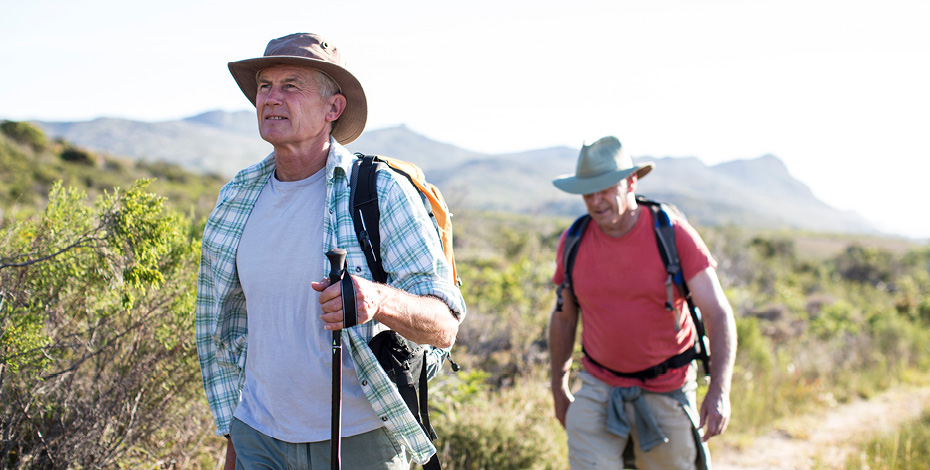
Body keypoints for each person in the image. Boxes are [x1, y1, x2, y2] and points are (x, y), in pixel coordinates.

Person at [196, 33, 465, 470]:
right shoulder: (236, 199)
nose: (271, 98)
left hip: (359, 440)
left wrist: (375, 300)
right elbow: (227, 330)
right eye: (265, 86)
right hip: (257, 439)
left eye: (290, 86)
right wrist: (236, 437)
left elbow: (444, 326)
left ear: (333, 109)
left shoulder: (381, 192)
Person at [548, 136, 737, 470]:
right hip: (599, 386)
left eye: (605, 188)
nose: (596, 200)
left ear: (631, 181)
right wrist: (559, 387)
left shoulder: (673, 233)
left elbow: (718, 313)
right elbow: (563, 319)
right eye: (588, 192)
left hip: (666, 388)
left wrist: (719, 390)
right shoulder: (574, 240)